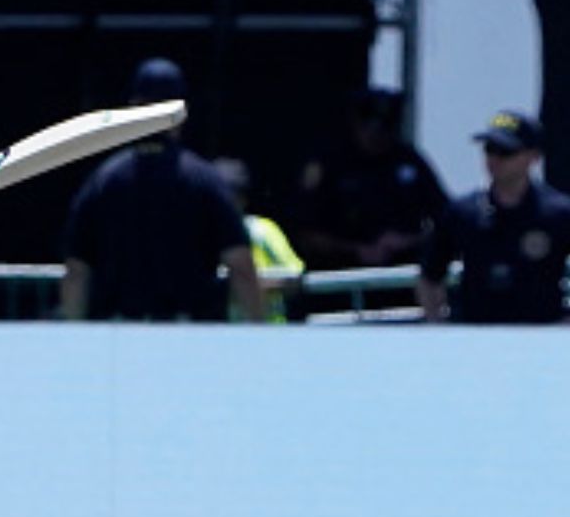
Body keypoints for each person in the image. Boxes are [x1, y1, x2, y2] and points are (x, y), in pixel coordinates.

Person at [58, 59, 264, 323]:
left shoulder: (102, 182)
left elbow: (77, 272)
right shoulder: (205, 181)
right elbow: (241, 267)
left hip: (120, 339)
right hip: (188, 337)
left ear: (132, 109)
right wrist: (260, 333)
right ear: (180, 112)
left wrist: (77, 338)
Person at [418, 109, 570, 323]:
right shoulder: (462, 213)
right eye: (490, 150)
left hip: (540, 339)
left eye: (506, 151)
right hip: (476, 339)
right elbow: (430, 276)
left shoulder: (558, 213)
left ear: (533, 156)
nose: (495, 159)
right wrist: (437, 326)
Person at [291, 85, 449, 269]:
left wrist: (407, 241)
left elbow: (448, 220)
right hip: (340, 278)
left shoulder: (409, 162)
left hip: (399, 278)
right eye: (369, 126)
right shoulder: (330, 164)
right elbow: (304, 232)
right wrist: (357, 250)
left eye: (385, 127)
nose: (376, 135)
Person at [214, 157, 305, 321]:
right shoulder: (199, 236)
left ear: (243, 198)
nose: (226, 203)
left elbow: (295, 277)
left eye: (234, 194)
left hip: (270, 337)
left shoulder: (263, 230)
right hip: (220, 341)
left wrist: (245, 286)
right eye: (219, 196)